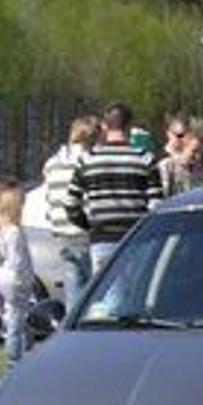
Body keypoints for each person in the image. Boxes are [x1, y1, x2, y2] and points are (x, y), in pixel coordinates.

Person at [65, 102, 162, 274]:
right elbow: (156, 206)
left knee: (106, 297)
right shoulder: (145, 159)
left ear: (104, 126)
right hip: (137, 239)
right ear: (130, 125)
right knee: (136, 296)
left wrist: (91, 226)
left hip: (102, 240)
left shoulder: (87, 160)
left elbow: (71, 204)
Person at [42, 115, 97, 311]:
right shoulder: (88, 162)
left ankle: (75, 334)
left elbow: (49, 199)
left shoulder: (51, 164)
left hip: (62, 233)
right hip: (85, 233)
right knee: (97, 292)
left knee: (73, 292)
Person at [0, 181, 35, 365]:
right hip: (17, 280)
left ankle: (23, 352)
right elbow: (18, 260)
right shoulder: (15, 232)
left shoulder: (1, 230)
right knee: (17, 321)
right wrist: (28, 280)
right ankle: (14, 359)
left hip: (5, 278)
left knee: (14, 318)